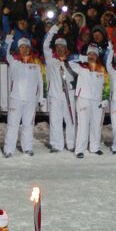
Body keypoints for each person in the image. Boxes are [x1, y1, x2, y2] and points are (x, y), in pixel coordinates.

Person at [2, 35, 46, 157]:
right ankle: (9, 149)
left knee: (28, 124)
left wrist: (42, 97)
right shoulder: (14, 61)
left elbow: (41, 81)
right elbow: (4, 53)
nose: (24, 49)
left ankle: (27, 147)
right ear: (18, 48)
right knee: (13, 124)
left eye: (26, 47)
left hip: (31, 100)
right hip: (16, 99)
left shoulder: (36, 63)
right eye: (21, 47)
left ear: (29, 48)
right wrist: (8, 41)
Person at [69, 44, 110, 158]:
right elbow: (70, 59)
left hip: (97, 101)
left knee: (96, 125)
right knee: (83, 125)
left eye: (94, 54)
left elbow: (107, 85)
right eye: (90, 53)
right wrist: (83, 58)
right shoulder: (81, 67)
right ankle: (80, 150)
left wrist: (105, 98)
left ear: (97, 56)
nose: (92, 56)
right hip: (83, 99)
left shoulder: (102, 69)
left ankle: (94, 147)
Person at [43, 19, 76, 153]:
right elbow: (46, 43)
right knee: (55, 120)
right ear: (55, 48)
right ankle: (57, 144)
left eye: (62, 46)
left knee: (71, 120)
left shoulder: (72, 60)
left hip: (69, 94)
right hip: (55, 95)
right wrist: (55, 27)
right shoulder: (50, 59)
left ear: (66, 48)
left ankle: (71, 143)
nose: (60, 48)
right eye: (58, 46)